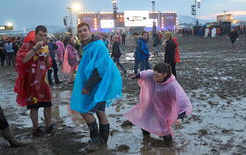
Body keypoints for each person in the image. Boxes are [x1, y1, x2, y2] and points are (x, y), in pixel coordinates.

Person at [70, 22, 122, 152]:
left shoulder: (98, 46)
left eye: (85, 30)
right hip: (98, 84)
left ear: (90, 31)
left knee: (83, 109)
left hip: (98, 85)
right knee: (100, 111)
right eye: (80, 31)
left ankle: (95, 140)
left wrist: (87, 87)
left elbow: (100, 69)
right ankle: (103, 141)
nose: (83, 33)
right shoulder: (87, 46)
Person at [125, 63, 192, 146]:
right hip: (150, 105)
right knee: (144, 121)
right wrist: (136, 75)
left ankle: (169, 147)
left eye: (158, 72)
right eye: (155, 71)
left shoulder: (172, 85)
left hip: (163, 110)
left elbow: (182, 100)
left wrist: (180, 118)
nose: (155, 73)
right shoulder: (153, 76)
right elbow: (145, 74)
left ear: (165, 74)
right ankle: (146, 140)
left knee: (163, 129)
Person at [14, 25, 54, 137]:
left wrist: (47, 57)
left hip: (43, 81)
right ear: (35, 35)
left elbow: (48, 65)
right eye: (40, 35)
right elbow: (22, 59)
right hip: (30, 81)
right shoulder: (27, 45)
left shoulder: (45, 47)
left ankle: (48, 126)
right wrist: (35, 48)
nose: (43, 37)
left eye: (45, 35)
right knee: (34, 106)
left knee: (47, 103)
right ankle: (36, 129)